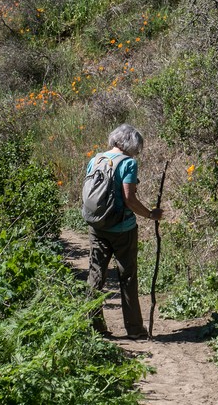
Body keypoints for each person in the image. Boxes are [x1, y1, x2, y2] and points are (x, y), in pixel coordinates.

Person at [85, 123, 163, 339]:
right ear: (131, 144)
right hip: (122, 229)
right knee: (127, 276)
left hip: (97, 225)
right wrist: (150, 214)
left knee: (95, 275)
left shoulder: (96, 159)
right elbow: (129, 199)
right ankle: (135, 329)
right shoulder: (128, 163)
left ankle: (93, 327)